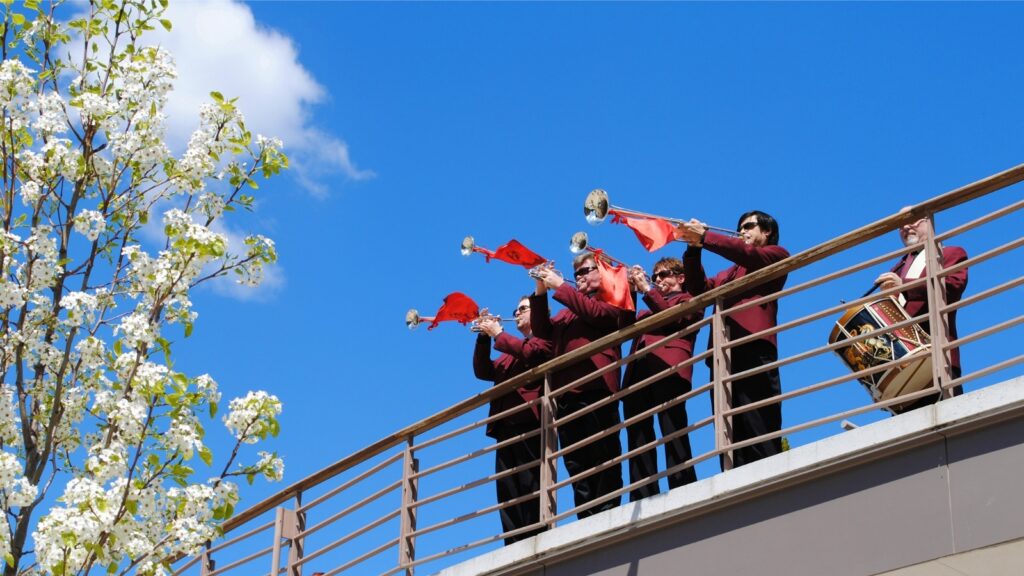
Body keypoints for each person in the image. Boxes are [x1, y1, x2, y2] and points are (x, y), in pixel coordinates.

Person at [677, 210, 789, 468]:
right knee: (727, 425)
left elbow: (747, 253)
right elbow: (698, 288)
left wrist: (705, 236)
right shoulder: (728, 273)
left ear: (767, 232)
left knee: (758, 419)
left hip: (754, 346)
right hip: (721, 354)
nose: (742, 231)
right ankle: (733, 474)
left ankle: (767, 475)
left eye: (749, 226)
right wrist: (694, 249)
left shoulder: (776, 254)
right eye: (740, 227)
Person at [530, 253, 630, 518]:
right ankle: (586, 516)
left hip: (596, 388)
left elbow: (596, 315)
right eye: (577, 274)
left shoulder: (611, 298)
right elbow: (541, 333)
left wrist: (559, 285)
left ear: (602, 274)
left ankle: (608, 513)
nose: (581, 277)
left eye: (587, 271)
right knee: (576, 462)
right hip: (567, 395)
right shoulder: (567, 311)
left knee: (603, 455)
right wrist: (540, 290)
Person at [621, 257, 704, 501]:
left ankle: (683, 486)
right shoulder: (648, 307)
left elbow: (673, 318)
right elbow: (624, 327)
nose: (657, 280)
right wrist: (631, 291)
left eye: (664, 274)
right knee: (638, 435)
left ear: (680, 278)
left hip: (669, 369)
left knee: (673, 428)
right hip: (638, 372)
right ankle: (643, 492)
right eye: (655, 276)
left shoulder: (688, 300)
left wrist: (647, 290)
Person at [472, 297, 553, 545]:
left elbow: (531, 354)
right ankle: (513, 542)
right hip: (505, 425)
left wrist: (498, 334)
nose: (517, 313)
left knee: (530, 484)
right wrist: (484, 337)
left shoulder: (543, 338)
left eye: (523, 309)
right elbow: (484, 371)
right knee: (507, 488)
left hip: (530, 420)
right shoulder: (508, 351)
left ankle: (535, 537)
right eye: (515, 309)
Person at [872, 212, 968, 409]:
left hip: (938, 360)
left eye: (912, 220)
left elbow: (952, 286)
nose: (906, 227)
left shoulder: (950, 253)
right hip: (902, 369)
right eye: (900, 225)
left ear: (928, 221)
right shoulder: (896, 268)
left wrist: (904, 286)